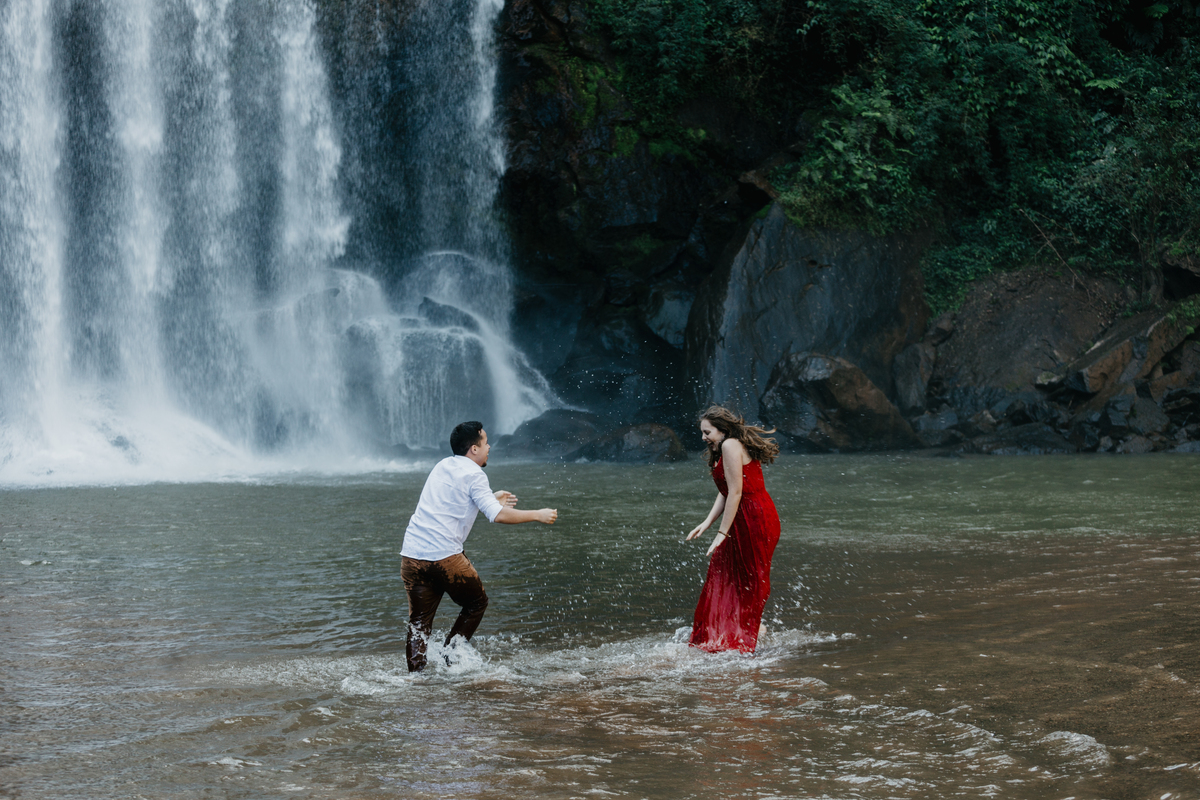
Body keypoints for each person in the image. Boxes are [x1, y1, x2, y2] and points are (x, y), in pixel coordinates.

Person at [400, 421, 558, 672]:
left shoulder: (442, 466)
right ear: (474, 449)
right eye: (485, 443)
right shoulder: (475, 474)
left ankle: (415, 680)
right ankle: (450, 656)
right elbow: (497, 516)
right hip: (444, 558)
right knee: (476, 603)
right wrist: (538, 514)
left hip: (411, 557)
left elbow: (453, 503)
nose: (489, 447)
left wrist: (491, 498)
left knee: (419, 622)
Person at [685, 405, 781, 653]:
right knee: (726, 573)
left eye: (707, 432)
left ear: (722, 429)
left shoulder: (729, 445)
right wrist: (707, 523)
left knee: (747, 576)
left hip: (754, 518)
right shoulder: (725, 445)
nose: (703, 437)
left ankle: (749, 630)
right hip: (743, 516)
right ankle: (743, 628)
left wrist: (721, 533)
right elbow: (726, 491)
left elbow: (737, 492)